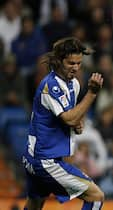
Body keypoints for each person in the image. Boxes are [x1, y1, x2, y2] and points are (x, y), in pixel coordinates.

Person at [22, 37, 104, 210]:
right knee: (96, 196)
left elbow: (70, 117)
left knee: (34, 205)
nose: (75, 68)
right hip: (45, 160)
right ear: (59, 61)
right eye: (71, 63)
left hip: (36, 157)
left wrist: (76, 124)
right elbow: (69, 118)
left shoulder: (73, 84)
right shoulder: (50, 85)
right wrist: (92, 93)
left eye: (79, 63)